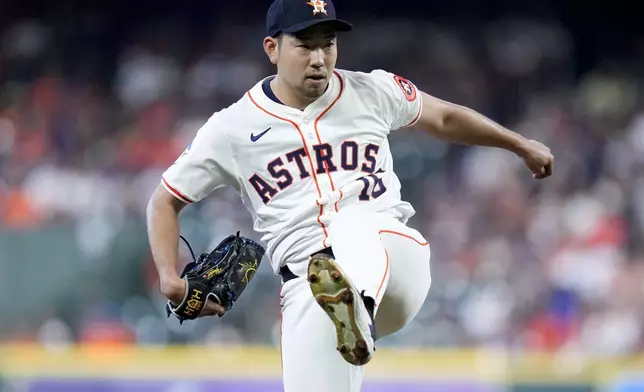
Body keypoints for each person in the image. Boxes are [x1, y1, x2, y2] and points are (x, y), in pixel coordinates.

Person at [145, 0, 555, 390]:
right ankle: (349, 315)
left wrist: (518, 143)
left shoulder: (372, 91)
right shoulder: (230, 128)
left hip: (393, 259)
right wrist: (169, 278)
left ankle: (357, 306)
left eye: (328, 44)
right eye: (305, 45)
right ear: (272, 48)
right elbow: (165, 200)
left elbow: (444, 117)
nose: (319, 57)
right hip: (308, 288)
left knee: (349, 220)